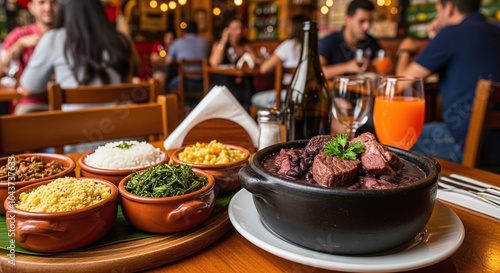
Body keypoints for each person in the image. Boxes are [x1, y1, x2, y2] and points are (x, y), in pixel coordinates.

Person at [395, 0, 500, 165]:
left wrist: (404, 50)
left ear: (449, 8)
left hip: (466, 144)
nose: (437, 17)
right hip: (495, 144)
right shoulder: (495, 30)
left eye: (438, 10)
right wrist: (436, 41)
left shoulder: (451, 33)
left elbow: (401, 82)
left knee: (394, 136)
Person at [0, 0, 57, 113]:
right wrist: (19, 45)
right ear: (31, 7)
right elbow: (1, 70)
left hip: (66, 102)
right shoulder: (20, 35)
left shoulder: (67, 34)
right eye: (41, 2)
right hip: (31, 103)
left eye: (53, 2)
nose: (48, 7)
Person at [251, 14, 309, 109]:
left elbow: (264, 69)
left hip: (288, 96)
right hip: (306, 95)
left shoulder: (289, 45)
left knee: (255, 99)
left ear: (293, 28)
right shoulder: (314, 46)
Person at [319, 0, 382, 80]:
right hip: (335, 91)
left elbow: (384, 68)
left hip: (362, 91)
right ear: (347, 20)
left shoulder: (371, 42)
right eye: (361, 21)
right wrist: (347, 67)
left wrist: (373, 67)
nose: (367, 26)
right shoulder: (329, 41)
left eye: (370, 21)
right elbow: (317, 72)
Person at [209, 18, 260, 111]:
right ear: (227, 30)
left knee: (248, 90)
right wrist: (224, 39)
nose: (239, 31)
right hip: (223, 84)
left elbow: (254, 60)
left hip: (243, 84)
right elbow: (214, 62)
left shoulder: (245, 45)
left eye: (240, 28)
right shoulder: (219, 44)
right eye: (235, 28)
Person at [164, 21, 211, 95]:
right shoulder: (207, 42)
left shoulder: (177, 42)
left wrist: (176, 59)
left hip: (185, 82)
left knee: (170, 85)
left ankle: (180, 105)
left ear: (184, 32)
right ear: (197, 31)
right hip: (205, 82)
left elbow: (167, 61)